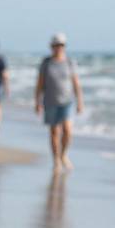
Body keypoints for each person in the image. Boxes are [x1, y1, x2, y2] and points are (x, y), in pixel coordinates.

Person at [35, 33, 84, 172]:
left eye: (61, 45)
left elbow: (76, 83)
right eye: (56, 45)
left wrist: (80, 101)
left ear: (64, 46)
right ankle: (56, 160)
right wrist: (37, 102)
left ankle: (63, 155)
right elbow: (39, 84)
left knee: (68, 130)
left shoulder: (69, 62)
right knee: (54, 132)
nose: (58, 48)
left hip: (67, 101)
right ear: (51, 47)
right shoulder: (46, 63)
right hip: (50, 101)